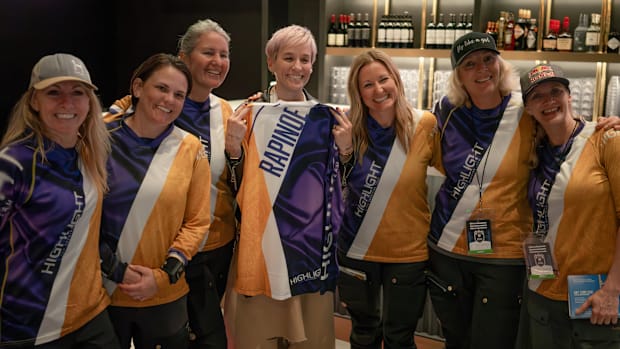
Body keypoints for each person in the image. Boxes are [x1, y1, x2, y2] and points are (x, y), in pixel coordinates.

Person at [427, 32, 620, 349]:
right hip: (449, 249)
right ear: (458, 75)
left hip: (507, 257)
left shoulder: (525, 111)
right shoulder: (448, 112)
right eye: (470, 64)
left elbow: (568, 130)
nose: (482, 69)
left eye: (489, 59)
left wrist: (606, 125)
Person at [107, 19, 238, 349]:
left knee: (205, 336)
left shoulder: (229, 113)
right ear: (184, 57)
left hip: (209, 249)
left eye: (224, 54)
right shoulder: (126, 119)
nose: (217, 61)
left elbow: (235, 182)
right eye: (208, 52)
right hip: (140, 253)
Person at [223, 24, 343, 349]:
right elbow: (232, 186)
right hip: (260, 250)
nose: (297, 67)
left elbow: (339, 187)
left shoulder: (327, 119)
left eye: (305, 59)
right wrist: (233, 148)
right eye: (288, 58)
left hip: (308, 251)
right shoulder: (246, 115)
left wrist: (345, 150)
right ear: (270, 61)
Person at [0, 53, 119, 348]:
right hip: (26, 327)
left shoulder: (89, 155)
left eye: (78, 93)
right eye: (54, 92)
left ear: (90, 102)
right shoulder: (14, 163)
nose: (67, 103)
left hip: (90, 316)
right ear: (34, 102)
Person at [99, 53, 211, 349]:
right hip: (103, 290)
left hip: (166, 293)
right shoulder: (100, 140)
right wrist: (116, 270)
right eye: (161, 88)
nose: (169, 100)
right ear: (137, 87)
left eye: (178, 94)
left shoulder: (190, 148)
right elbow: (83, 216)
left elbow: (198, 221)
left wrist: (164, 276)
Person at [333, 49, 440, 348]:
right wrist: (344, 152)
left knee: (400, 338)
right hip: (357, 249)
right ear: (358, 92)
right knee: (364, 334)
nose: (379, 90)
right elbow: (331, 187)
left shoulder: (425, 125)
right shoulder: (346, 130)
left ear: (396, 79)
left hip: (408, 253)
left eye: (384, 79)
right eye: (368, 85)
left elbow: (454, 167)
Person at [517, 63, 620, 348]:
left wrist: (612, 290)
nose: (549, 101)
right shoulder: (532, 152)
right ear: (528, 108)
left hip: (594, 298)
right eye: (538, 96)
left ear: (569, 96)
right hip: (542, 291)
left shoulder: (607, 139)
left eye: (556, 91)